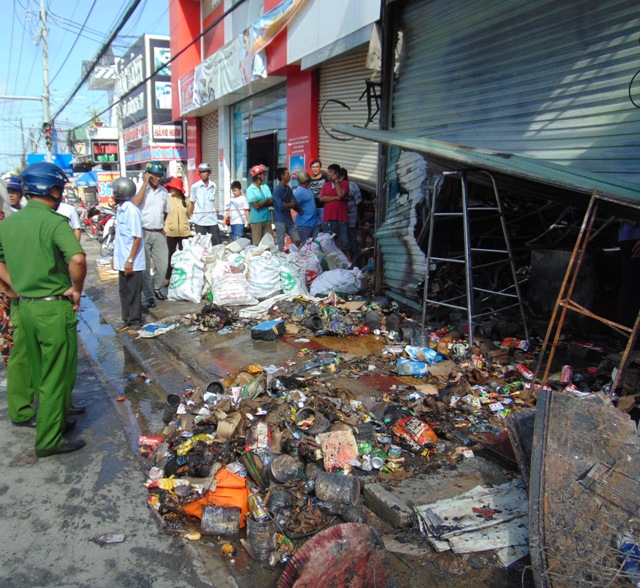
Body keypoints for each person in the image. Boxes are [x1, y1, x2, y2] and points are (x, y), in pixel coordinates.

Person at [0, 162, 87, 457]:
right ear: (52, 190)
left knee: (35, 370)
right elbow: (77, 258)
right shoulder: (54, 222)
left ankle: (55, 420)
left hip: (23, 307)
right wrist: (76, 289)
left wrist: (15, 285)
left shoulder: (8, 223)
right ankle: (49, 439)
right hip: (51, 309)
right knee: (57, 374)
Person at [131, 161, 170, 308]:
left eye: (160, 176)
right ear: (147, 175)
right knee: (145, 267)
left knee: (163, 264)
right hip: (143, 232)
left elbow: (165, 211)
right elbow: (135, 204)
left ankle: (157, 288)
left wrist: (160, 225)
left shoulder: (164, 192)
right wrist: (145, 183)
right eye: (154, 175)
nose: (158, 178)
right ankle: (148, 295)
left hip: (158, 231)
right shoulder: (142, 190)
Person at [112, 177, 145, 331]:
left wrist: (130, 260)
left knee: (133, 292)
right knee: (123, 291)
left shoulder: (132, 211)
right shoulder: (120, 210)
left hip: (132, 261)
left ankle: (135, 321)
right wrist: (116, 258)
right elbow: (119, 237)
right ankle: (126, 320)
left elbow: (137, 237)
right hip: (122, 259)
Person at [163, 177, 191, 285]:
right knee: (171, 254)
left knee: (184, 255)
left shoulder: (186, 200)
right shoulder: (168, 199)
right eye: (170, 188)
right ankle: (168, 276)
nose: (171, 190)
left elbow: (188, 214)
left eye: (173, 188)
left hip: (184, 232)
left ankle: (184, 276)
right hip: (171, 231)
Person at [319, 163, 351, 260]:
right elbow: (321, 198)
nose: (328, 174)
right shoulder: (325, 185)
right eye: (328, 172)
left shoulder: (344, 184)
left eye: (331, 172)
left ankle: (349, 264)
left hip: (341, 218)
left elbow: (341, 195)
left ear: (337, 174)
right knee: (327, 244)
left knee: (345, 243)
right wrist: (335, 198)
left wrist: (337, 182)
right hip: (328, 218)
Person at [190, 162, 221, 244]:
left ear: (209, 172)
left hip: (212, 219)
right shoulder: (195, 187)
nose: (202, 174)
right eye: (201, 172)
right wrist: (192, 217)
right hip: (200, 220)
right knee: (202, 244)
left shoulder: (213, 185)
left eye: (204, 172)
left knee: (217, 243)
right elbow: (192, 203)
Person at [617, 220, 640, 328]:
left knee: (631, 290)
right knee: (632, 290)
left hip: (631, 235)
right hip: (633, 237)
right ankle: (628, 337)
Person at [272, 167, 300, 251]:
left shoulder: (289, 189)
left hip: (289, 220)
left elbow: (295, 202)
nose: (290, 175)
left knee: (297, 240)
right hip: (280, 220)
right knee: (281, 243)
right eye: (287, 173)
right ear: (282, 176)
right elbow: (280, 206)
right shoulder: (277, 190)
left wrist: (287, 204)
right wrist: (289, 204)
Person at [246, 164, 274, 245]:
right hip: (256, 220)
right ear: (258, 176)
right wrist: (266, 201)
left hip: (267, 218)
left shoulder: (265, 187)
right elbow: (256, 206)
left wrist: (263, 202)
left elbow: (271, 201)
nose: (264, 176)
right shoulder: (250, 189)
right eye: (263, 174)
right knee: (257, 244)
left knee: (269, 243)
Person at [341, 167, 362, 260]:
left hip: (351, 218)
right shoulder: (335, 186)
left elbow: (359, 202)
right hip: (340, 218)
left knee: (352, 239)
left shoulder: (352, 186)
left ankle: (356, 260)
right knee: (344, 240)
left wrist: (359, 219)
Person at [293, 171, 320, 243]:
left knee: (316, 245)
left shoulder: (307, 189)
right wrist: (299, 210)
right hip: (304, 224)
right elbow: (293, 204)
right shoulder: (299, 192)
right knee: (302, 246)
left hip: (314, 223)